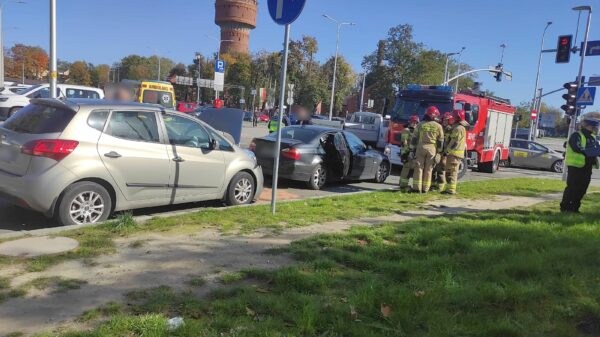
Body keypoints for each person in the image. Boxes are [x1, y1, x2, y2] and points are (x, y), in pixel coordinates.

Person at [560, 113, 600, 213]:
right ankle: (565, 207)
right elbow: (577, 148)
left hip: (587, 167)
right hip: (576, 167)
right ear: (587, 126)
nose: (596, 129)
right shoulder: (576, 135)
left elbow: (596, 150)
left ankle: (575, 208)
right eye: (594, 127)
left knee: (582, 189)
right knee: (572, 188)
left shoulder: (593, 138)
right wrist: (590, 152)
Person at [410, 106, 444, 193]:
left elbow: (414, 138)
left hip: (421, 147)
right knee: (429, 169)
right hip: (432, 148)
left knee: (418, 167)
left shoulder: (420, 124)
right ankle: (425, 188)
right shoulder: (439, 126)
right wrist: (439, 152)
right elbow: (440, 141)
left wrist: (412, 149)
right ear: (435, 115)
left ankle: (417, 188)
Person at [442, 109, 468, 195]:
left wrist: (447, 151)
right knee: (450, 171)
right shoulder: (458, 127)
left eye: (453, 117)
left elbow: (455, 142)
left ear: (457, 117)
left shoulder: (458, 128)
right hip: (455, 154)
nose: (451, 118)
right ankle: (449, 189)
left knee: (452, 172)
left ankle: (451, 190)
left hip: (454, 154)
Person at [432, 112, 453, 191]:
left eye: (446, 120)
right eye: (444, 120)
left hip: (444, 153)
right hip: (437, 151)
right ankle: (432, 185)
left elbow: (451, 142)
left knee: (441, 169)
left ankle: (440, 187)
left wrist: (446, 152)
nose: (444, 121)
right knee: (434, 169)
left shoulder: (450, 130)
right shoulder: (439, 127)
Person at [399, 115, 420, 192]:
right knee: (406, 169)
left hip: (411, 152)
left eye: (416, 123)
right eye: (413, 122)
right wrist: (407, 152)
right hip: (407, 152)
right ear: (409, 122)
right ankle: (403, 186)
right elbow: (404, 142)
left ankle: (403, 184)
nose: (414, 124)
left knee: (408, 169)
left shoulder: (415, 131)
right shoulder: (406, 130)